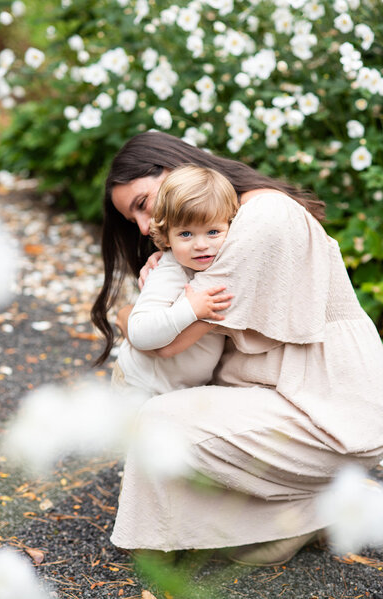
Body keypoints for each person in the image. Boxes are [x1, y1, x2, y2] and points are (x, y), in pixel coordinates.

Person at [91, 131, 383, 566]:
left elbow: (165, 345)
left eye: (141, 204)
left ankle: (329, 499)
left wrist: (129, 314)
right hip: (286, 398)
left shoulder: (260, 218)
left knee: (158, 418)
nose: (141, 225)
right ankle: (301, 514)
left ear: (174, 170)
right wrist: (171, 256)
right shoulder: (214, 232)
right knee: (152, 399)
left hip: (329, 410)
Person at [115, 165, 237, 395]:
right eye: (186, 234)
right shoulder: (170, 272)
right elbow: (139, 332)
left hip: (176, 389)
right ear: (166, 237)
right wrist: (189, 309)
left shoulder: (218, 264)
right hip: (140, 386)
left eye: (213, 232)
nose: (201, 245)